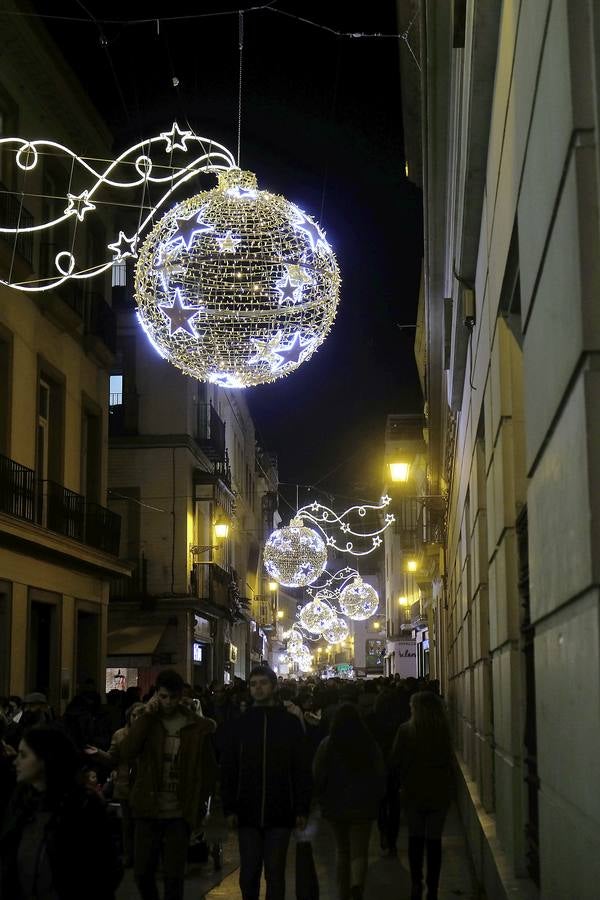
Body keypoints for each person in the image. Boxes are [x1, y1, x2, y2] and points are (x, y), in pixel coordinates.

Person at [119, 669, 217, 900]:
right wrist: (145, 717)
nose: (168, 702)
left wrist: (200, 803)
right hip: (147, 808)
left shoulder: (195, 726)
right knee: (142, 873)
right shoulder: (149, 721)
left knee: (174, 876)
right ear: (156, 695)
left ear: (181, 695)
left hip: (179, 811)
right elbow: (127, 751)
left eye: (172, 697)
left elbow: (208, 769)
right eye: (163, 697)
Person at [220, 665, 311, 900]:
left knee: (275, 873)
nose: (258, 688)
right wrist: (229, 807)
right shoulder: (240, 724)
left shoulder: (289, 723)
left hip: (281, 810)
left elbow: (300, 767)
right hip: (247, 811)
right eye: (253, 684)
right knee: (248, 873)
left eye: (263, 683)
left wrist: (301, 807)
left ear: (274, 686)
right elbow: (230, 767)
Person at [0, 724, 122, 899]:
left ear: (45, 759)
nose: (16, 761)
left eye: (24, 755)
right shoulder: (22, 802)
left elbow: (105, 868)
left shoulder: (82, 806)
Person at [313, 703, 385, 900]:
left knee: (342, 850)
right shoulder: (369, 744)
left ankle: (343, 892)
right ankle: (357, 889)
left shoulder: (327, 744)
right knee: (359, 851)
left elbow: (318, 774)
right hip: (363, 806)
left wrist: (320, 798)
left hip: (335, 806)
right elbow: (380, 773)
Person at [390, 691, 454, 900]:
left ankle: (416, 883)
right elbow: (448, 761)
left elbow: (395, 761)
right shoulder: (443, 730)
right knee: (434, 842)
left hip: (413, 793)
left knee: (415, 840)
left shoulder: (406, 731)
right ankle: (433, 888)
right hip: (438, 794)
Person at [85, 701, 145, 867]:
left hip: (144, 783)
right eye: (134, 715)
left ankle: (141, 856)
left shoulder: (150, 734)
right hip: (125, 782)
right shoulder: (120, 735)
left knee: (141, 823)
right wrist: (99, 754)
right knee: (127, 824)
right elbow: (113, 758)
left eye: (141, 715)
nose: (137, 718)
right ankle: (129, 855)